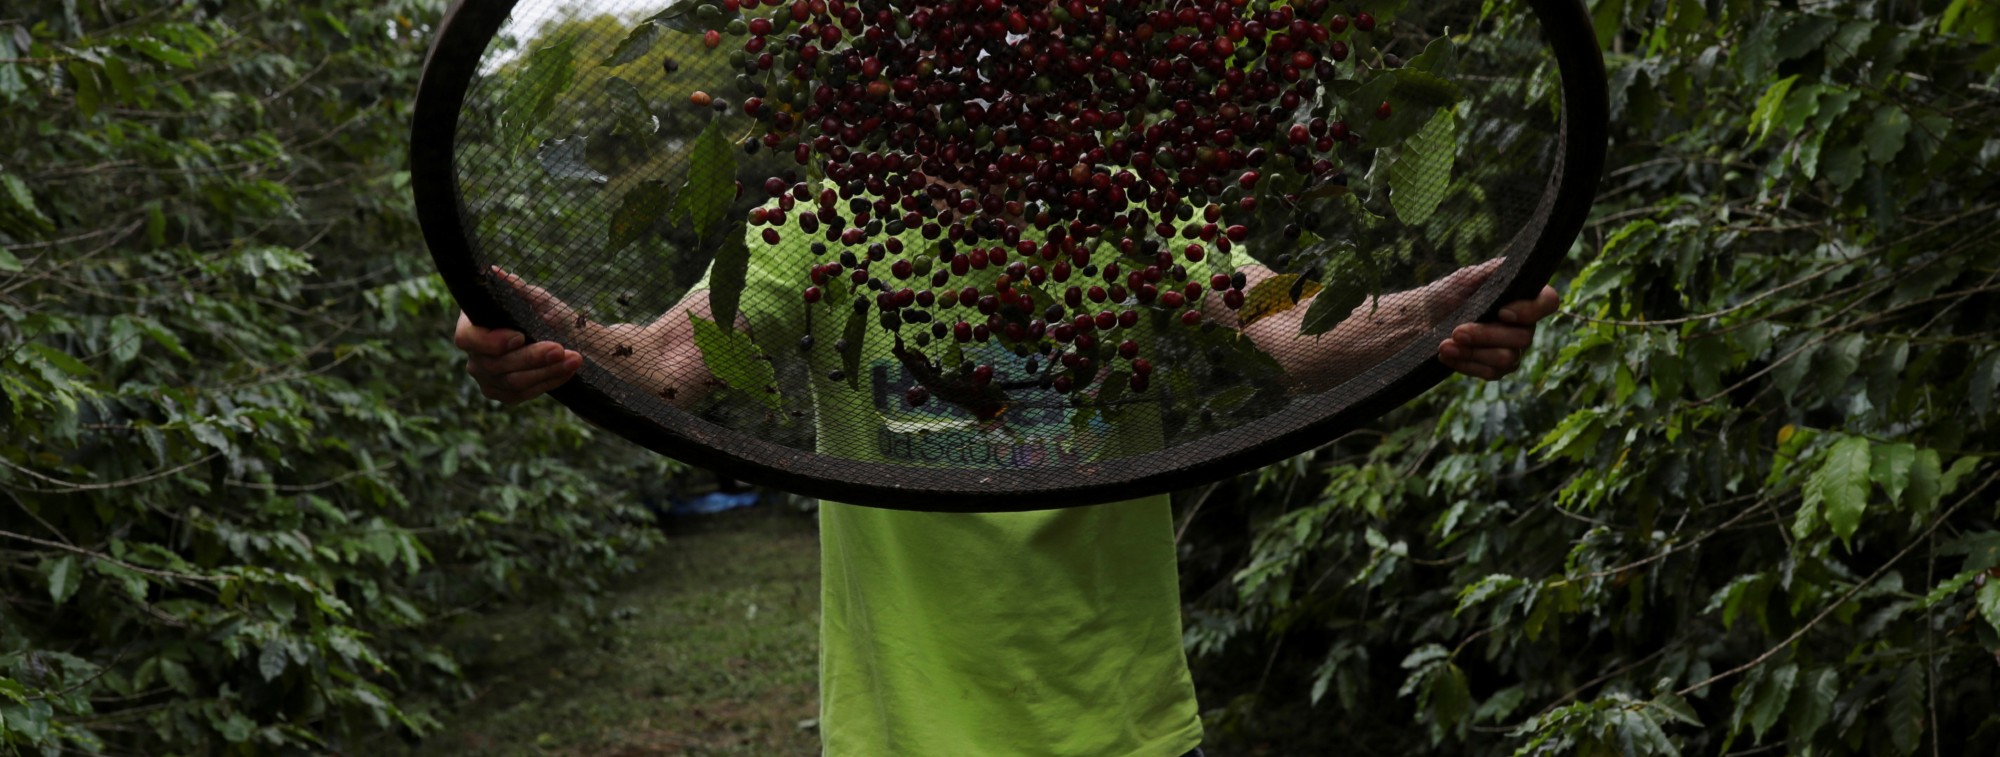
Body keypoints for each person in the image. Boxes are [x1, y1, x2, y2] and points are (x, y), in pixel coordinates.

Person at [452, 187, 1556, 757]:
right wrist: (562, 343)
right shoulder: (820, 219)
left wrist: (1433, 313)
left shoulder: (1119, 202)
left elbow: (1302, 338)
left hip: (1111, 713)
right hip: (903, 723)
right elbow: (663, 368)